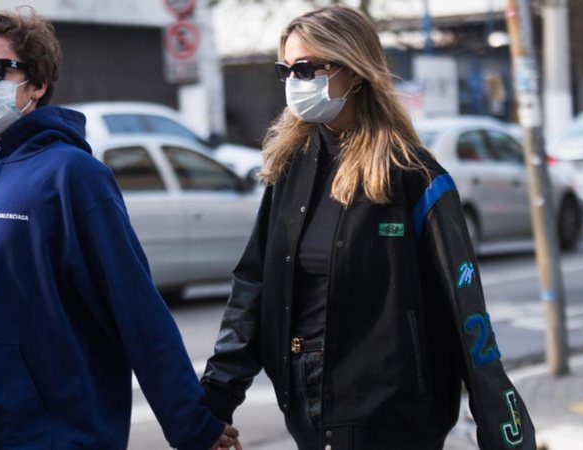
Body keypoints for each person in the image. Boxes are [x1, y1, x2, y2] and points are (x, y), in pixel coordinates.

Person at [200, 5, 536, 450]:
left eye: (307, 68)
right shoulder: (290, 171)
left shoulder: (415, 178)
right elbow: (253, 289)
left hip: (394, 422)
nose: (295, 83)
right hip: (309, 414)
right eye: (286, 70)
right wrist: (210, 406)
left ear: (353, 70)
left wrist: (506, 434)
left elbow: (468, 315)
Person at [0, 8, 240, 450]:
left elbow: (135, 306)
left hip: (55, 434)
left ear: (38, 83)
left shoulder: (74, 175)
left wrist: (191, 424)